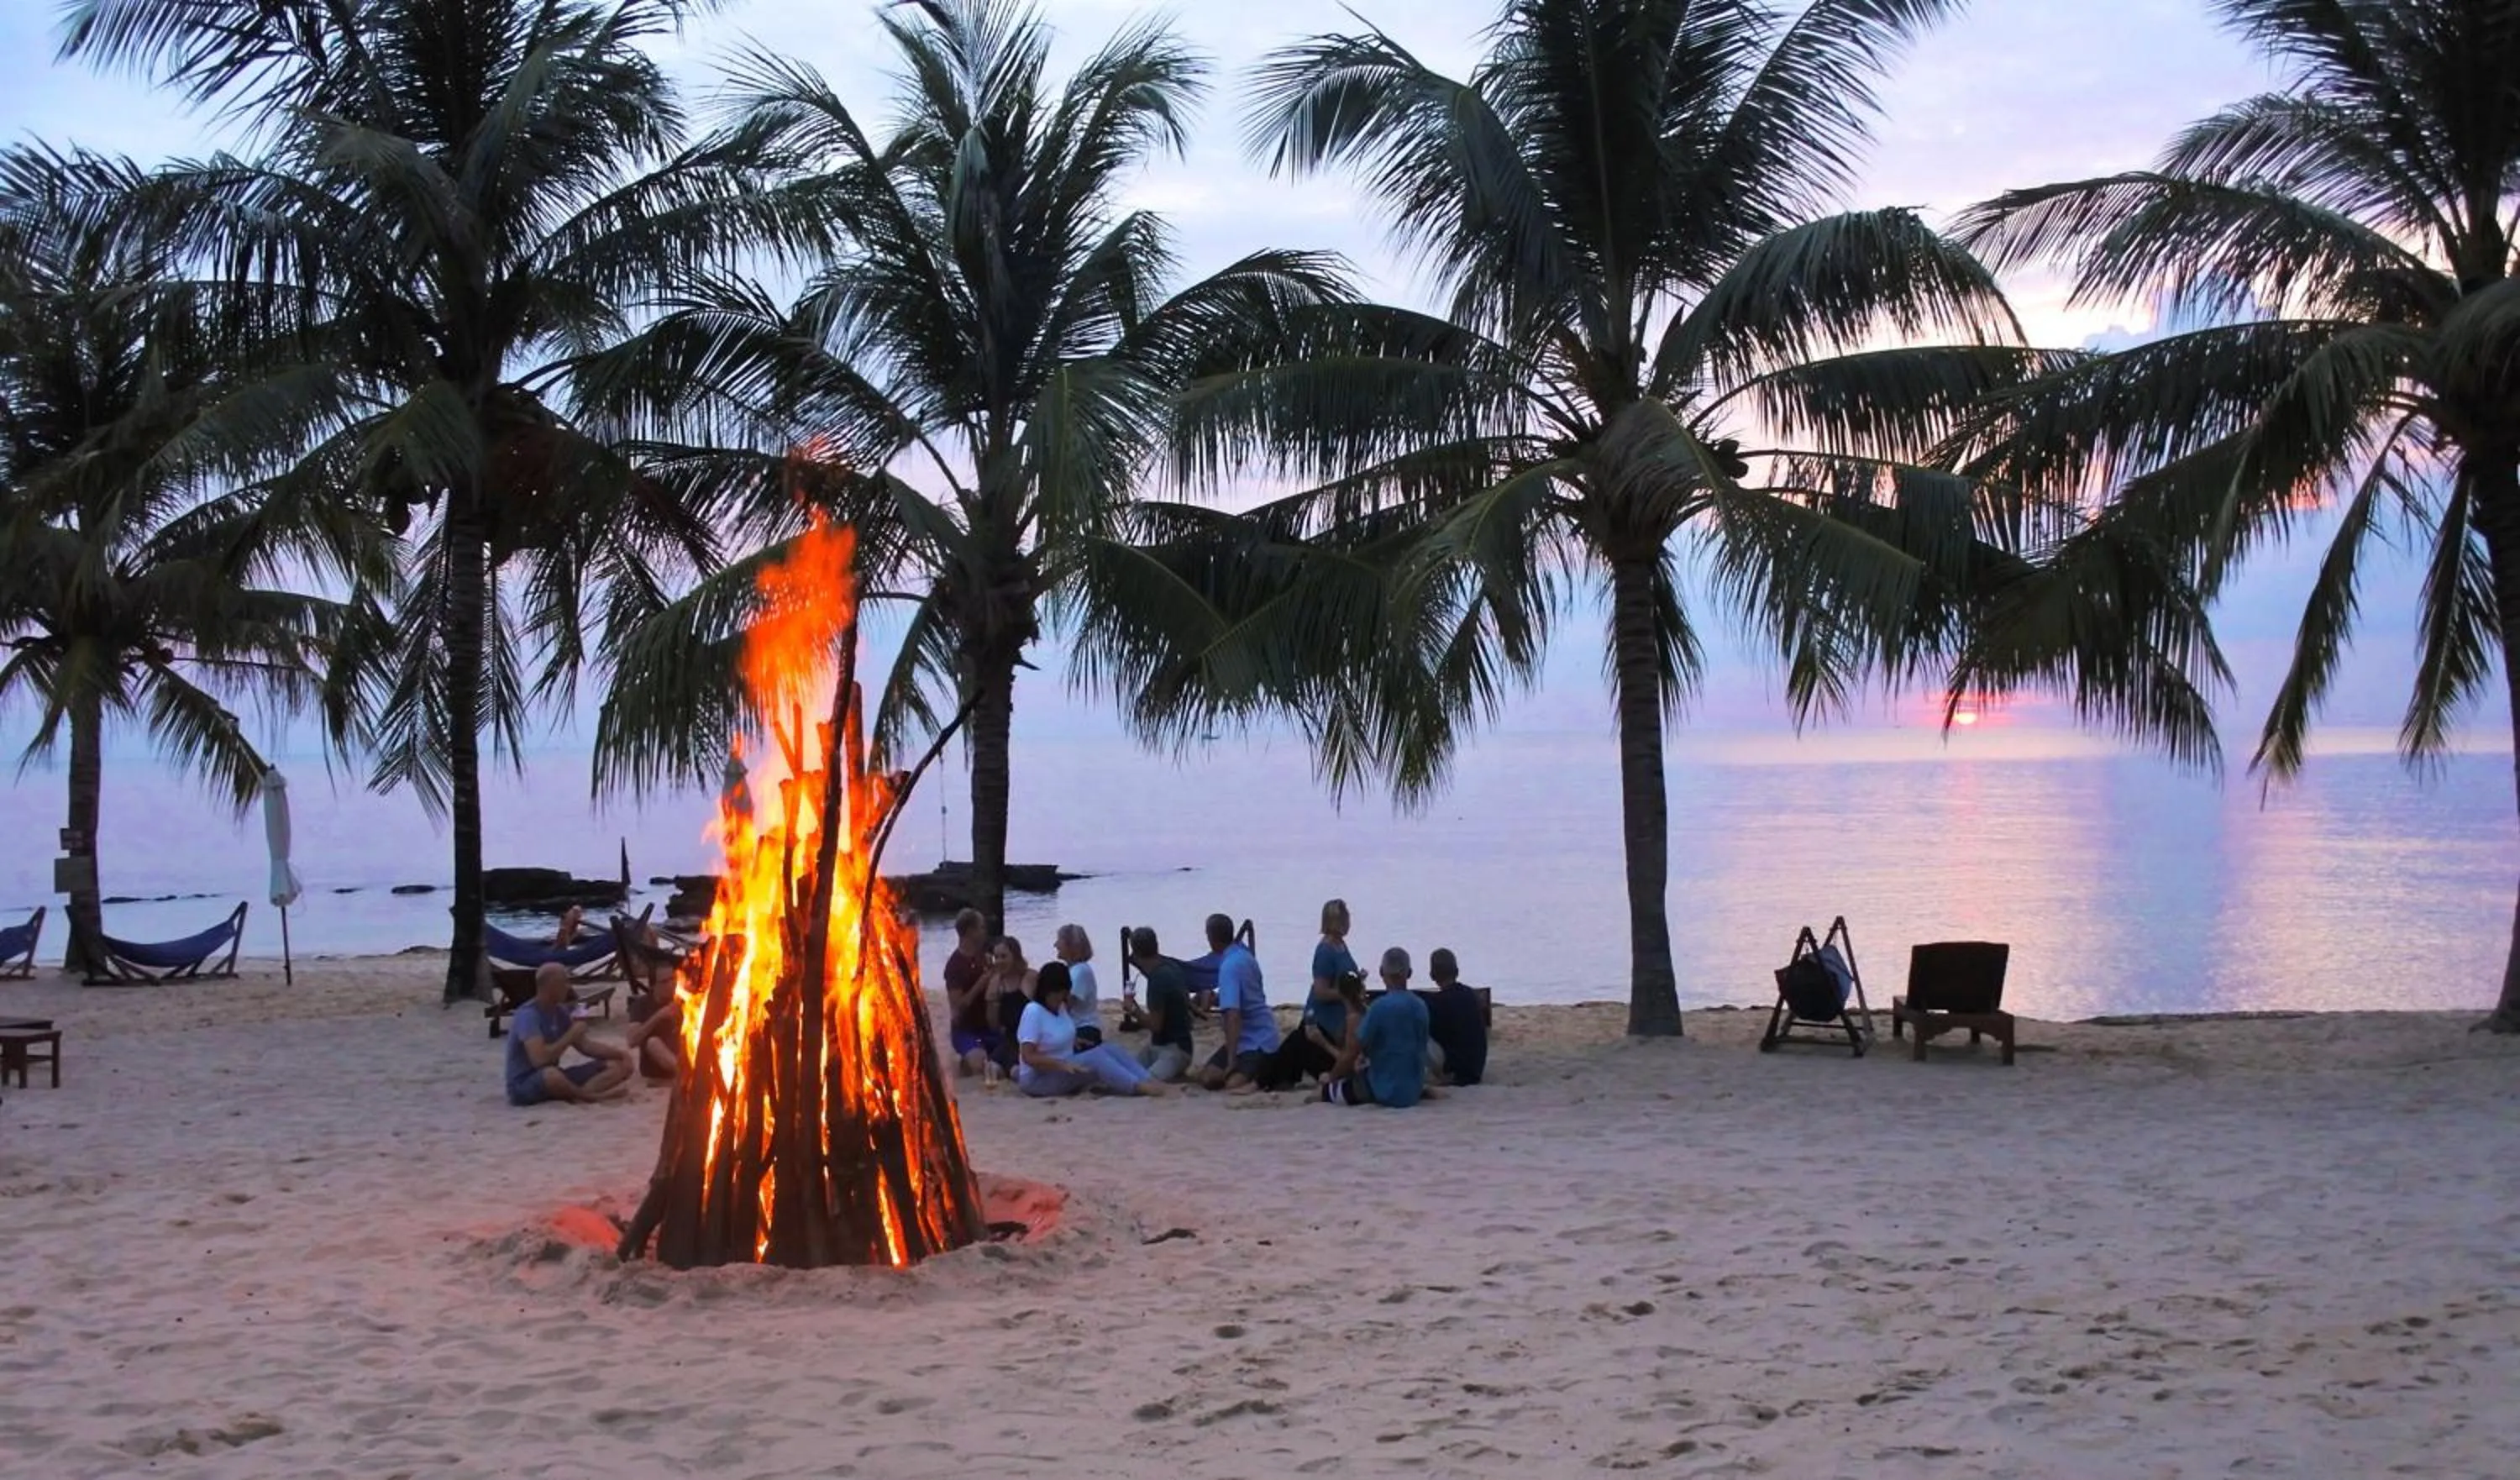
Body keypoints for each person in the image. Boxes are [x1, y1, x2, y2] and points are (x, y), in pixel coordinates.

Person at [1016, 962, 1169, 1098]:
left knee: (1109, 1048)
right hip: (1039, 1078)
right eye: (1056, 994)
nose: (1059, 998)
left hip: (1064, 1065)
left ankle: (1147, 1079)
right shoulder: (1034, 1012)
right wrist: (1061, 1065)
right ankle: (1138, 1087)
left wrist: (1073, 1041)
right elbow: (1029, 1056)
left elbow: (1052, 1036)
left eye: (1062, 994)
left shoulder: (1060, 1008)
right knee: (1095, 1058)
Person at [505, 963, 633, 1105]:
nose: (568, 987)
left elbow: (585, 1046)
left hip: (556, 1076)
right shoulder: (528, 1015)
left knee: (615, 1066)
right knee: (552, 1075)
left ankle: (581, 1094)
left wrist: (620, 1054)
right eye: (564, 982)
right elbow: (539, 1060)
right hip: (524, 1084)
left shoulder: (559, 1011)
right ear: (550, 986)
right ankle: (590, 1097)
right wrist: (571, 1035)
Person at [1322, 947, 1435, 1108]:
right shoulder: (1421, 1006)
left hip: (1382, 1088)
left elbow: (1352, 1051)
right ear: (1409, 973)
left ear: (1382, 972)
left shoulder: (1378, 1008)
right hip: (1412, 1089)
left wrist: (1332, 1077)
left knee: (1322, 1094)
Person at [1194, 912, 1278, 1091]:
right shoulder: (1245, 955)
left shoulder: (1229, 966)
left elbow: (1233, 1016)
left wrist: (1231, 1059)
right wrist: (1217, 998)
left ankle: (1263, 1074)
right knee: (1208, 1077)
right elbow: (1244, 996)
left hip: (1258, 1041)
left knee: (1233, 1084)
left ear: (1211, 938)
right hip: (1246, 1038)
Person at [1126, 926, 1194, 1081]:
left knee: (1142, 1082)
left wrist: (1133, 1010)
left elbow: (1156, 1025)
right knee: (1126, 1074)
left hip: (1174, 1050)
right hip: (1165, 1045)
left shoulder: (1158, 980)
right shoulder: (1170, 967)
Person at [1299, 898, 1360, 1066]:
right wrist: (1349, 993)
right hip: (1324, 1018)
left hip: (1342, 1013)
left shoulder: (1341, 944)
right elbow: (1321, 991)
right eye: (1346, 919)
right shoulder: (1325, 950)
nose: (1349, 923)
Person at [943, 908, 997, 1076]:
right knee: (980, 1065)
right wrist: (982, 982)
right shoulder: (955, 965)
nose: (985, 931)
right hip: (965, 1029)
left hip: (988, 1026)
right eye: (981, 927)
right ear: (970, 931)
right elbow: (958, 1006)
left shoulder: (986, 956)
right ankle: (966, 1059)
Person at [1424, 947, 1488, 1087]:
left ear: (1432, 975)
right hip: (1476, 1068)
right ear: (1457, 971)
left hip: (1457, 1072)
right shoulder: (1470, 995)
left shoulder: (1437, 1003)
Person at [985, 936, 1037, 1076]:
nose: (1000, 961)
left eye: (1004, 956)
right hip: (1009, 1039)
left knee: (1017, 1072)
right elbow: (994, 1025)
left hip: (1030, 1039)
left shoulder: (1030, 977)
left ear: (1015, 956)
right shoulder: (996, 982)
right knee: (992, 1071)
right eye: (997, 957)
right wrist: (993, 1001)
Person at [1053, 923, 1104, 1044]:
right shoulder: (1072, 970)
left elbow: (1066, 1006)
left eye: (1059, 941)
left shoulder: (1079, 972)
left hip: (1083, 1029)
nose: (1055, 945)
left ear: (1071, 946)